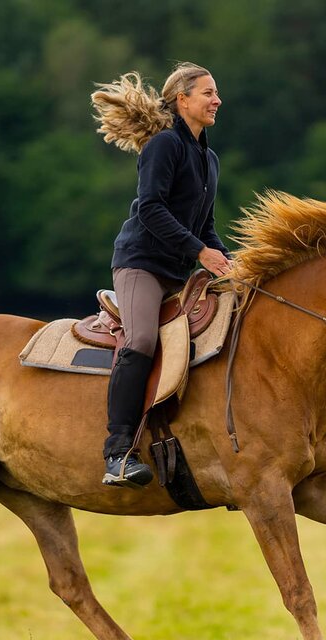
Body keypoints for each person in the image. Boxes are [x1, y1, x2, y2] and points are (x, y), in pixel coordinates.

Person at [91, 62, 233, 489]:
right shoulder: (163, 146)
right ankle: (117, 453)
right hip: (141, 265)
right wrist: (200, 252)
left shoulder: (209, 159)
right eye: (208, 93)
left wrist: (227, 261)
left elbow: (204, 226)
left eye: (216, 93)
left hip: (178, 271)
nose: (217, 100)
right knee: (141, 341)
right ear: (182, 100)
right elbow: (151, 208)